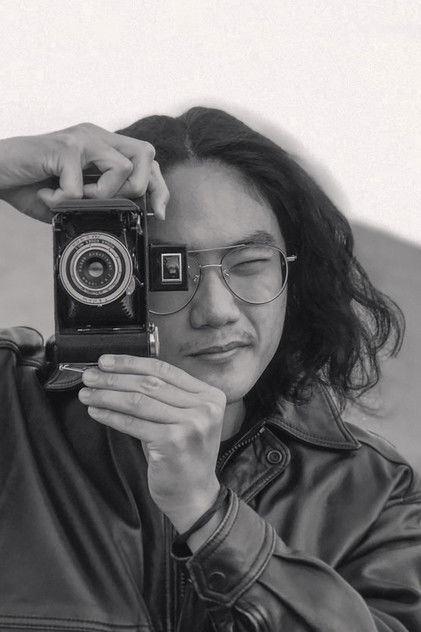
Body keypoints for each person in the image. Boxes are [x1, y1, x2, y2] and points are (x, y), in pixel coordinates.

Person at [0, 108, 420, 632]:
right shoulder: (14, 412)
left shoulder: (373, 491)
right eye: (171, 270)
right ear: (108, 270)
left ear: (293, 274)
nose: (217, 311)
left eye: (249, 264)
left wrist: (209, 516)